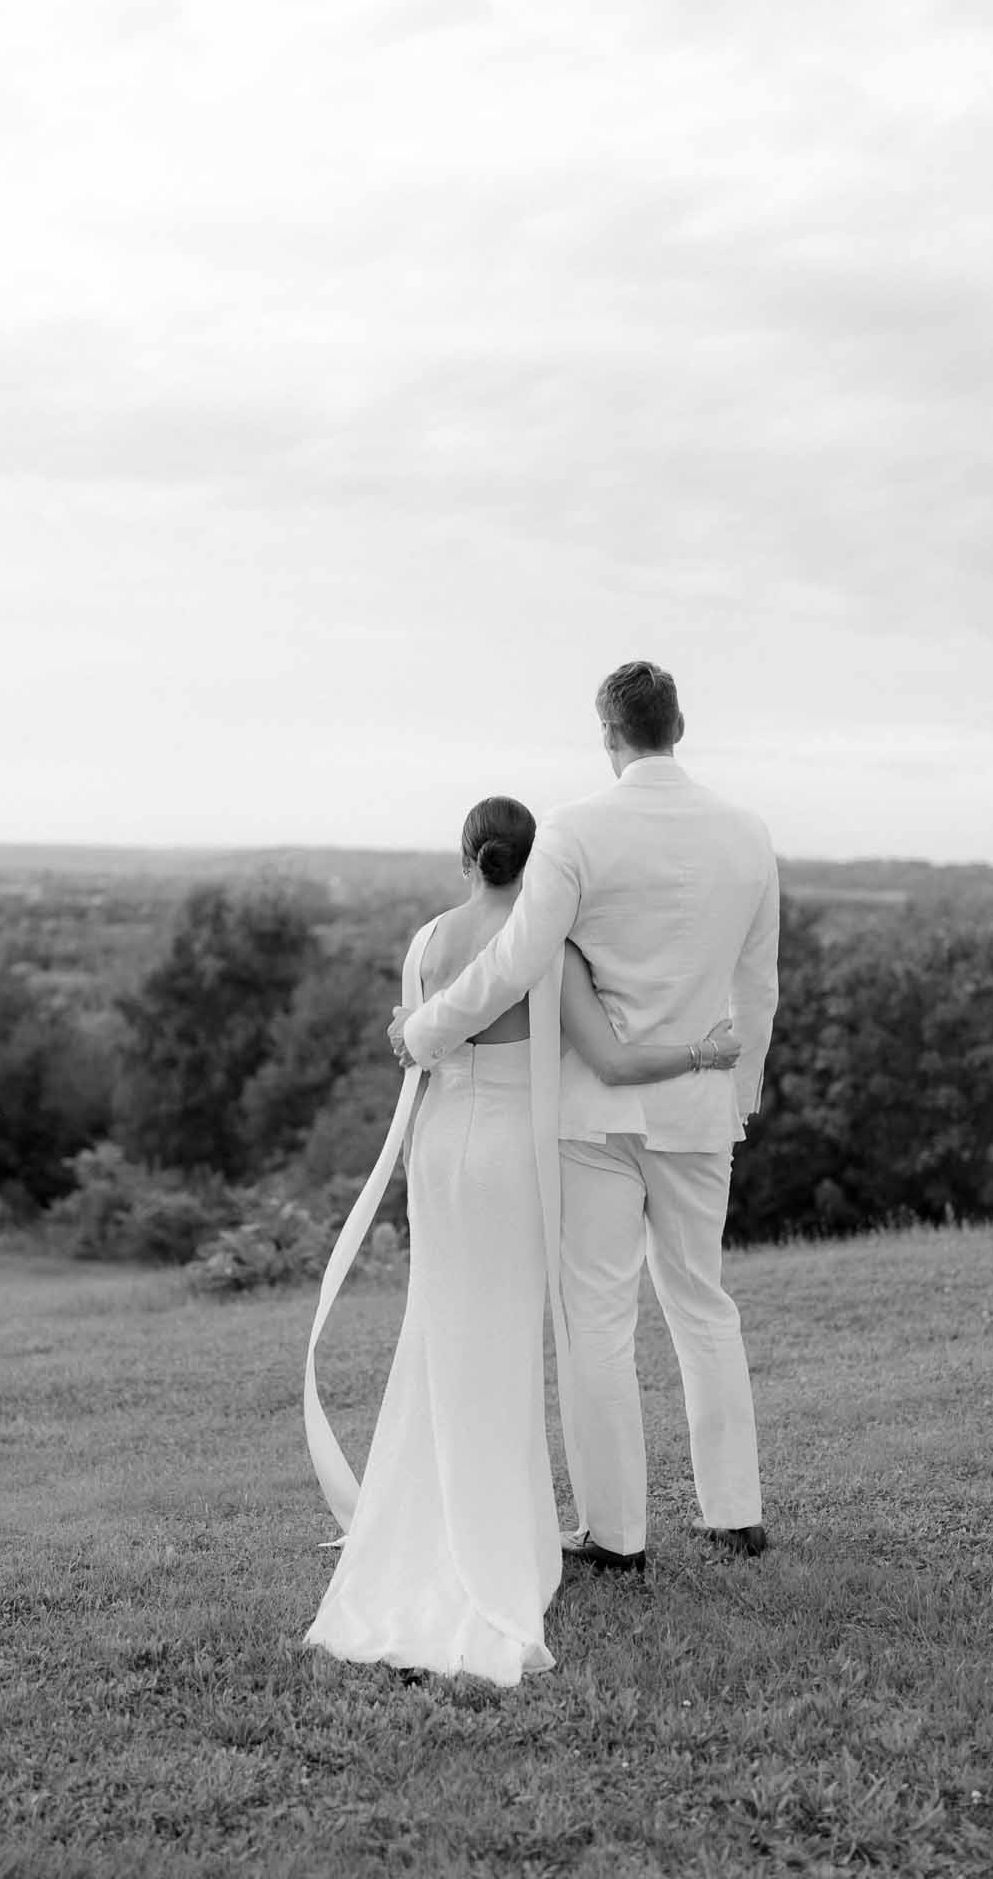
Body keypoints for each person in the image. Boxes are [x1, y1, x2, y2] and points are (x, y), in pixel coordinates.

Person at [305, 794, 739, 1686]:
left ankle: (424, 1516)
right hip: (511, 1158)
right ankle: (495, 1536)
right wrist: (701, 1055)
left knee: (438, 1329)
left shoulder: (426, 942)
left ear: (465, 857)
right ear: (535, 862)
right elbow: (613, 1065)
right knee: (502, 1342)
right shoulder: (549, 947)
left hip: (439, 1151)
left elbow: (418, 1051)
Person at [391, 661, 780, 1575]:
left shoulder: (574, 828)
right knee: (701, 1302)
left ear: (608, 732)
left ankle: (616, 1535)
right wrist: (740, 1089)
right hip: (696, 1109)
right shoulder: (748, 833)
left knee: (596, 1321)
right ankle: (735, 1514)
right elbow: (756, 982)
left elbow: (516, 963)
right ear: (677, 724)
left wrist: (424, 1028)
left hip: (594, 1115)